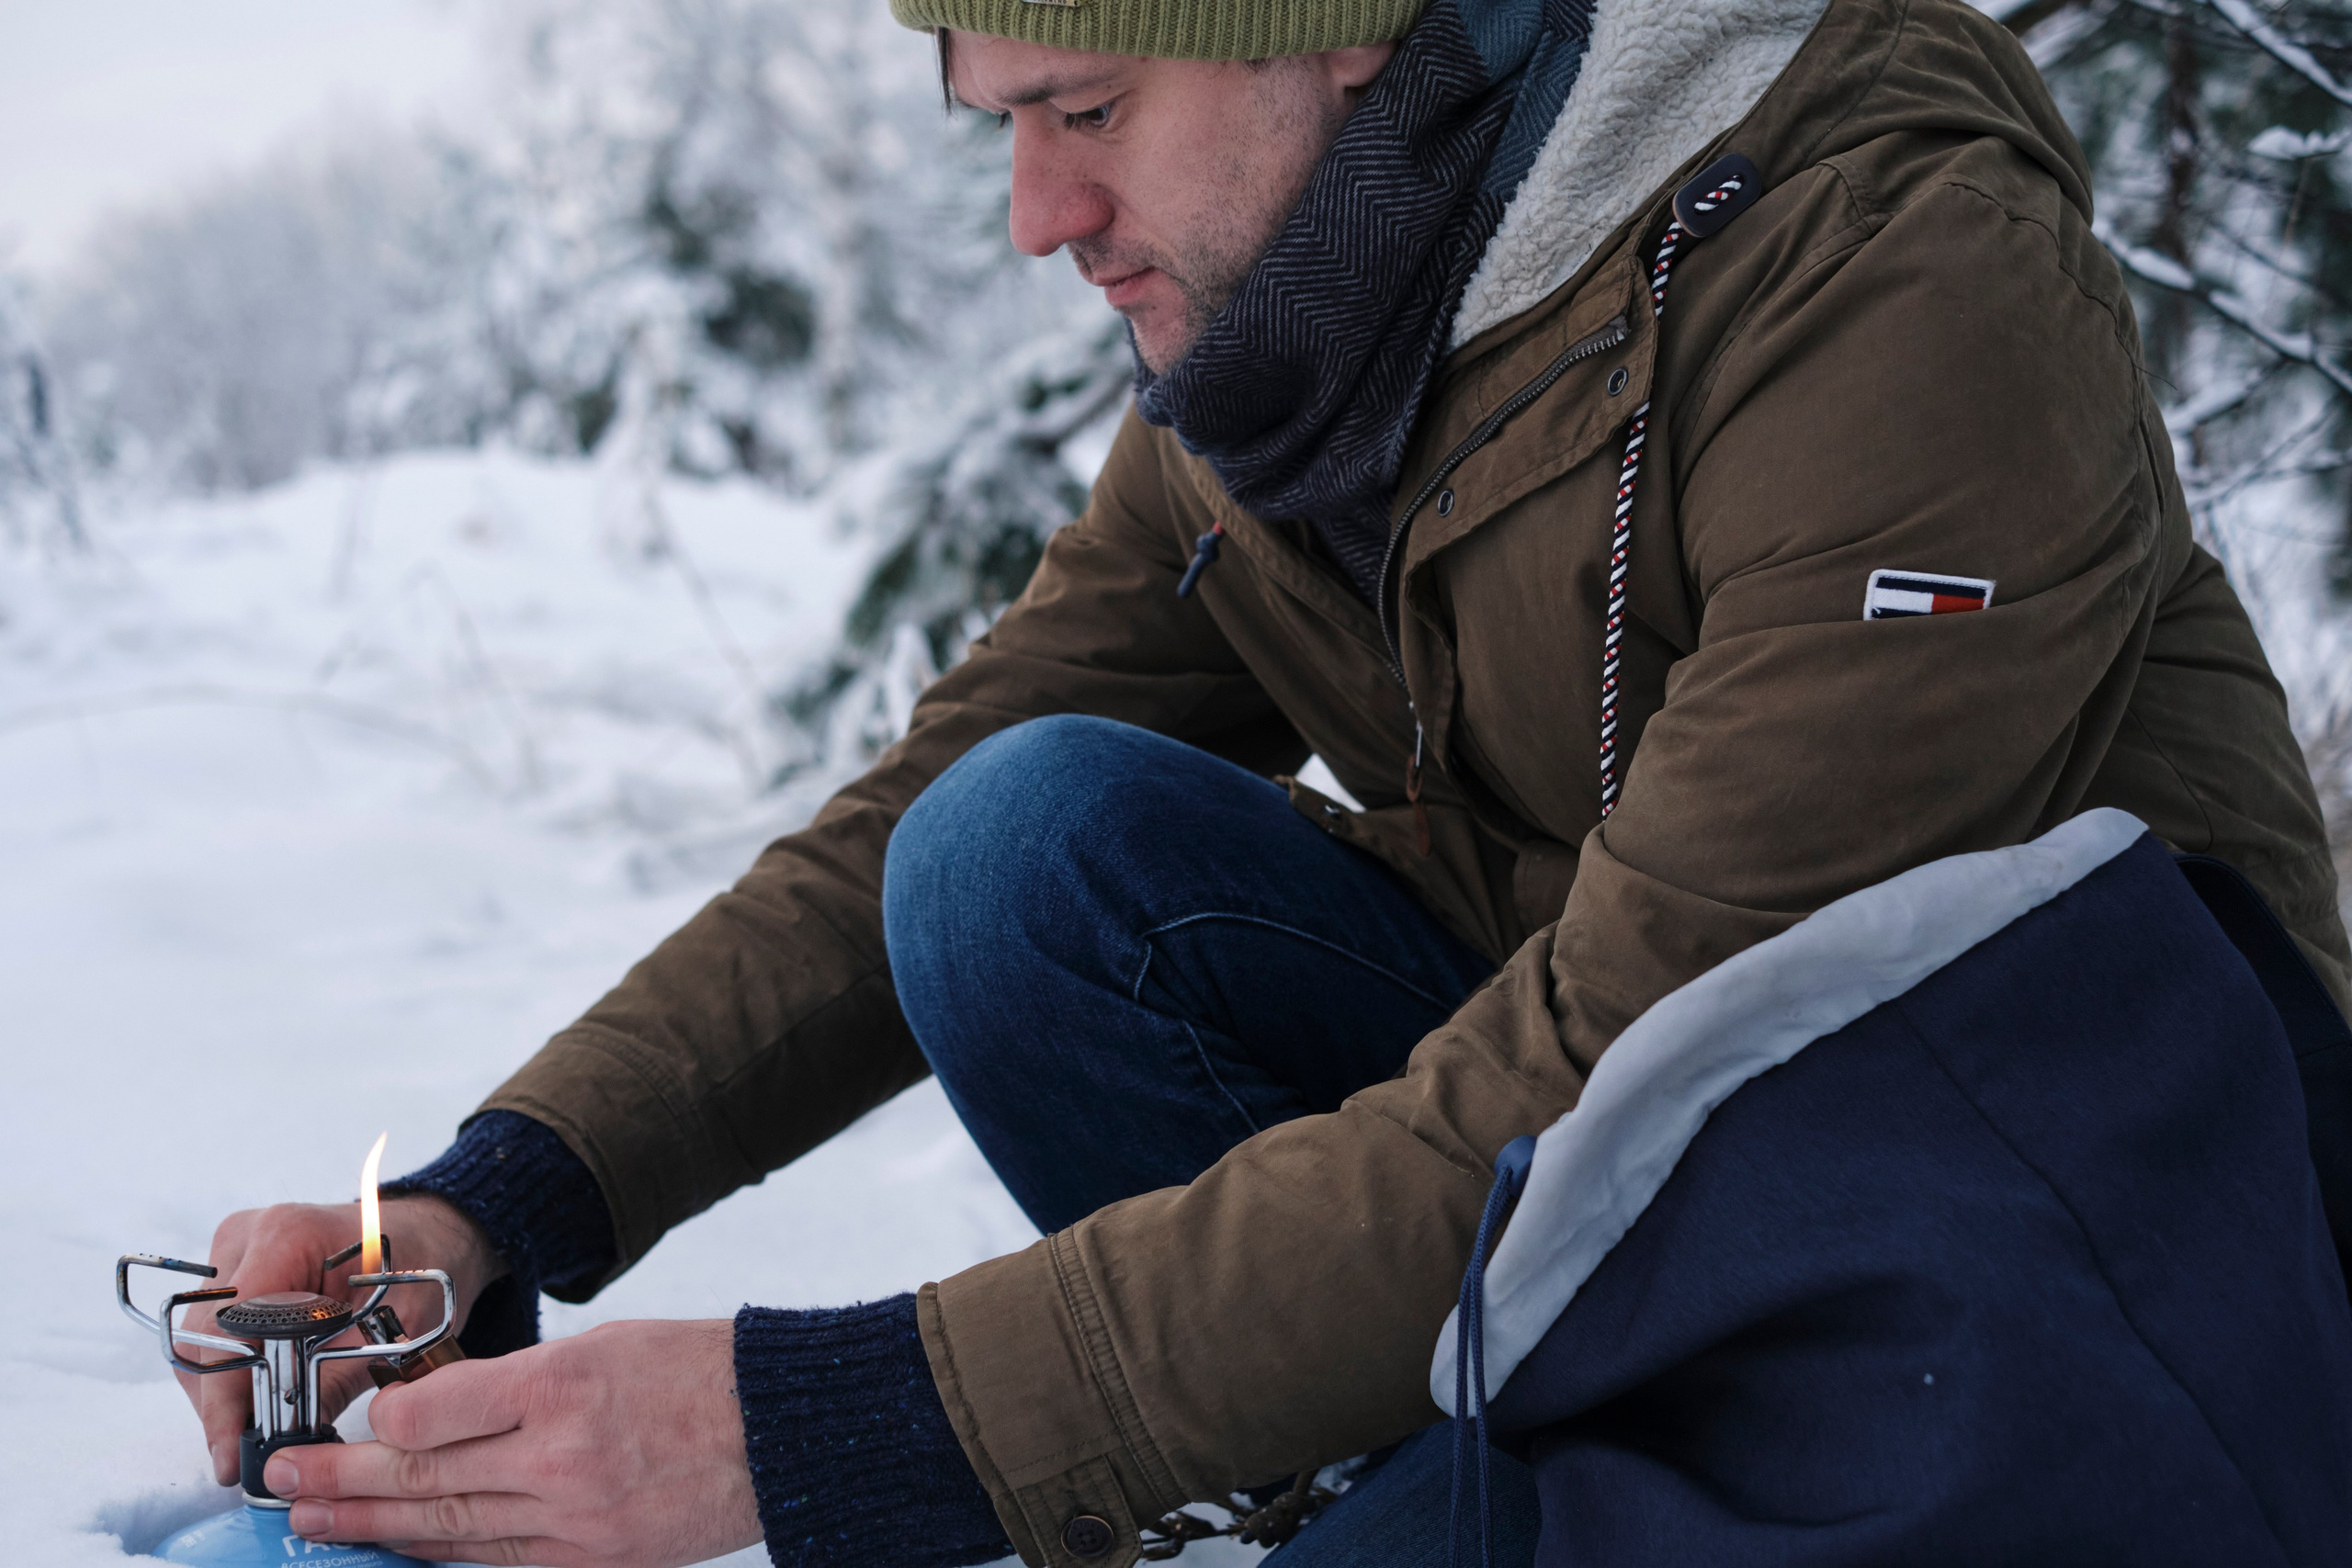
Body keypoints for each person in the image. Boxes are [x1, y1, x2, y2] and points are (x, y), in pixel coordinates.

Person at [183, 0, 2352, 1562]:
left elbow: (1656, 1058)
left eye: (1087, 104)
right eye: (997, 124)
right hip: (1600, 1182)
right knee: (1011, 844)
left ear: (1336, 34)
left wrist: (819, 1428)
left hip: (2048, 1231)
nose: (1039, 211)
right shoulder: (1300, 343)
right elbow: (899, 840)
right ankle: (1364, 1480)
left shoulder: (1882, 276)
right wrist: (496, 1199)